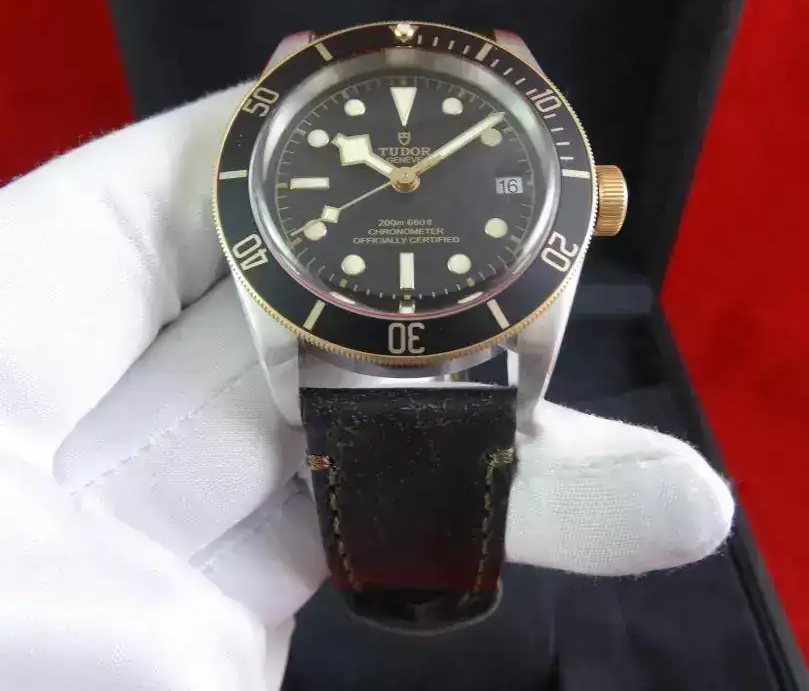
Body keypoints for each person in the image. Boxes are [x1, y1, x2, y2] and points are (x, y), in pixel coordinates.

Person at [0, 83, 734, 691]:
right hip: (310, 313)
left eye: (418, 174)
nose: (405, 182)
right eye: (390, 172)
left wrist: (524, 403)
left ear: (591, 200)